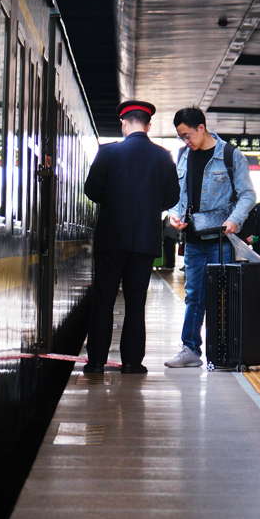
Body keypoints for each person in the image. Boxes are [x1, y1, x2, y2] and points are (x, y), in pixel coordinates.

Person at [83, 100, 179, 374]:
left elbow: (91, 190)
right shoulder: (163, 156)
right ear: (148, 126)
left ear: (123, 124)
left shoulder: (108, 152)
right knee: (136, 302)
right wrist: (150, 204)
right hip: (145, 243)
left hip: (111, 240)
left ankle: (97, 361)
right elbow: (172, 197)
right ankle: (132, 362)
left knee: (104, 300)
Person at [164, 107, 256, 368]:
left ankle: (224, 351)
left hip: (220, 240)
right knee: (194, 295)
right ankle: (190, 349)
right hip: (193, 239)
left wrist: (234, 220)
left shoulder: (230, 155)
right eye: (181, 136)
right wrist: (174, 214)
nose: (185, 141)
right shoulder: (184, 155)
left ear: (201, 128)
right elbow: (178, 194)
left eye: (187, 135)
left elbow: (248, 195)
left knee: (222, 296)